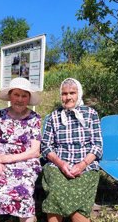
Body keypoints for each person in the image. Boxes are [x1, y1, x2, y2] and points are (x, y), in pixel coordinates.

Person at [41, 78, 103, 222]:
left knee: (78, 205)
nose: (68, 97)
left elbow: (97, 145)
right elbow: (46, 146)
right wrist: (61, 163)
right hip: (57, 165)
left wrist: (82, 165)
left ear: (79, 93)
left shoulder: (91, 114)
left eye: (72, 93)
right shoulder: (53, 116)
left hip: (86, 165)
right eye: (64, 93)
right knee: (56, 191)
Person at [0, 77, 42, 222]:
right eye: (16, 94)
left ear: (28, 98)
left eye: (24, 95)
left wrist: (6, 158)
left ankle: (27, 217)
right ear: (10, 96)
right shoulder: (0, 116)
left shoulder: (35, 118)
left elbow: (35, 151)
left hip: (25, 161)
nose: (20, 99)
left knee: (25, 186)